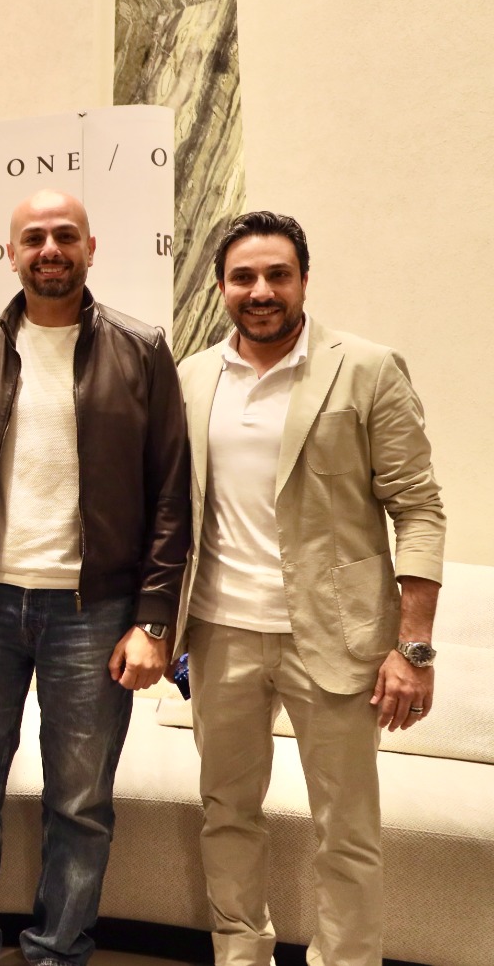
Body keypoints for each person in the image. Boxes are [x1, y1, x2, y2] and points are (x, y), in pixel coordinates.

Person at [0, 189, 189, 966]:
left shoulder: (141, 349)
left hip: (94, 611)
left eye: (65, 235)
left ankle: (58, 953)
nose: (50, 250)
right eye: (33, 237)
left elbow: (172, 498)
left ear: (91, 248)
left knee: (81, 801)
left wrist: (154, 621)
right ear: (12, 253)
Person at [176, 211, 445, 966]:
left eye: (277, 275)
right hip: (221, 632)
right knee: (227, 814)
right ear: (221, 287)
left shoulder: (367, 368)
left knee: (345, 830)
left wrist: (413, 647)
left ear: (303, 280)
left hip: (339, 638)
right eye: (243, 277)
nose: (261, 291)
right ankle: (241, 954)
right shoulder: (192, 378)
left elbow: (419, 508)